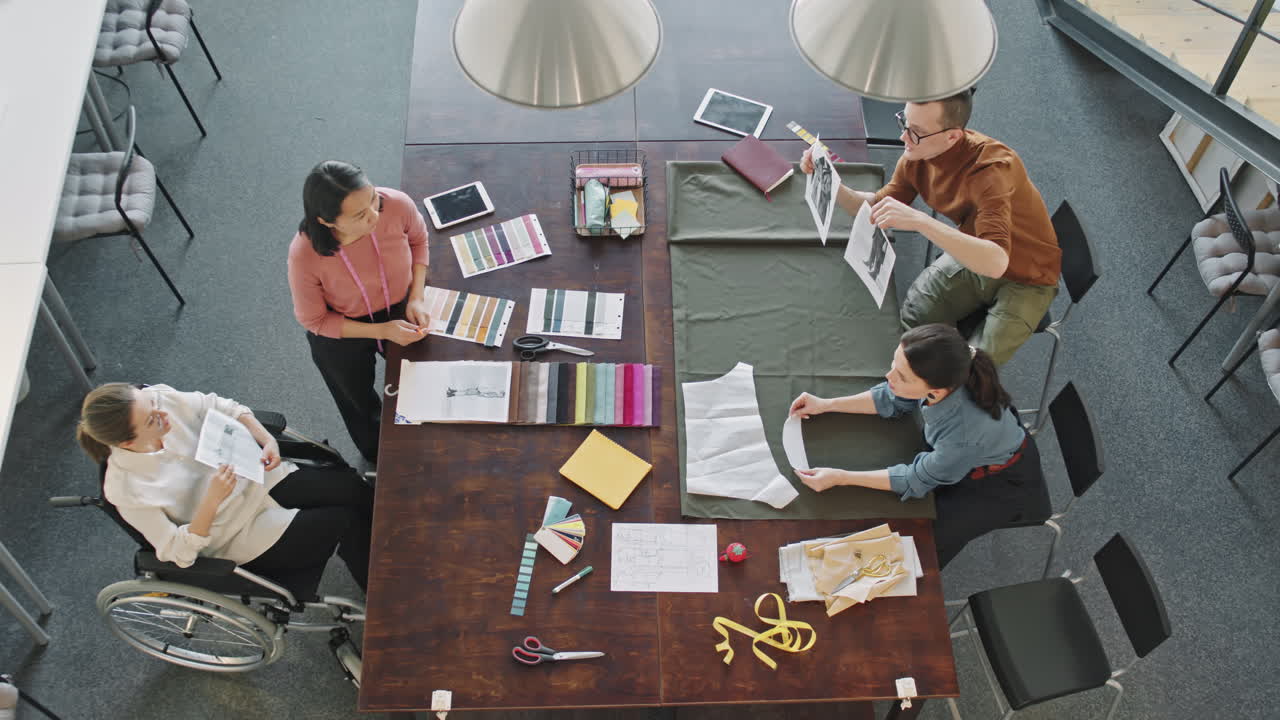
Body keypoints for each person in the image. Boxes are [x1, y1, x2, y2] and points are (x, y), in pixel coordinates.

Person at [801, 89, 1061, 366]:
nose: (903, 137)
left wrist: (921, 221)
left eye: (915, 132)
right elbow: (874, 207)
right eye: (904, 123)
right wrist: (835, 186)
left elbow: (997, 261)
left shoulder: (992, 172)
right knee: (915, 317)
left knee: (974, 368)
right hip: (975, 254)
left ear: (952, 136)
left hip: (1028, 277)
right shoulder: (917, 155)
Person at [788, 324, 1049, 569]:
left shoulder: (964, 434)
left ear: (936, 390)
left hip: (999, 486)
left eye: (902, 376)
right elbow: (892, 397)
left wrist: (842, 477)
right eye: (894, 364)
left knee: (916, 547)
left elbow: (916, 479)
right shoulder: (945, 371)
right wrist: (827, 404)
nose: (889, 376)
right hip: (967, 452)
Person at [76, 383, 374, 593]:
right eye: (153, 419)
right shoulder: (125, 490)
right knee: (344, 521)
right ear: (127, 443)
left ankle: (382, 548)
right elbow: (176, 553)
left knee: (352, 486)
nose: (163, 413)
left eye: (153, 403)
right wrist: (211, 502)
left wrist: (265, 438)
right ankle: (380, 586)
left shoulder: (155, 399)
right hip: (240, 532)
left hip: (258, 478)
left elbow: (221, 405)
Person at [289, 161, 432, 464]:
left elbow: (419, 241)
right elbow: (314, 319)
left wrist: (417, 297)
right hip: (342, 326)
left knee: (425, 378)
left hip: (401, 305)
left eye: (373, 200)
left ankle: (430, 438)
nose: (375, 215)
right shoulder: (304, 253)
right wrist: (381, 331)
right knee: (357, 401)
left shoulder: (396, 204)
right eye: (360, 214)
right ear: (327, 221)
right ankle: (378, 457)